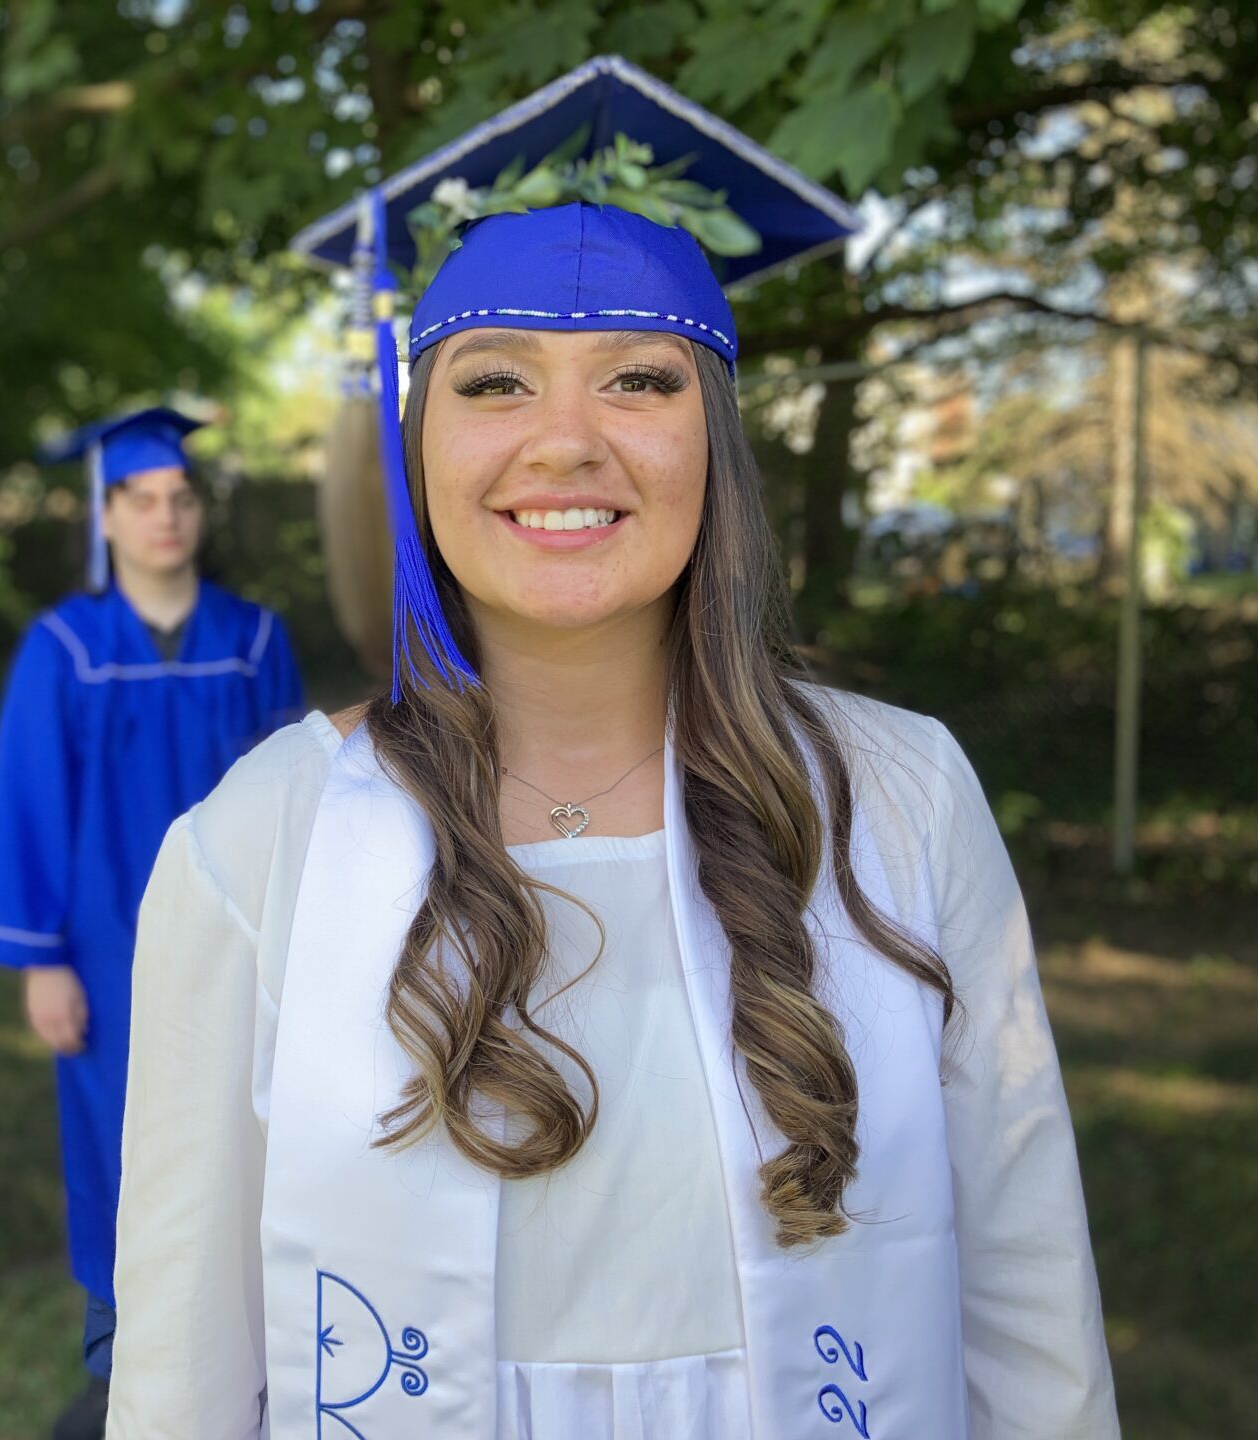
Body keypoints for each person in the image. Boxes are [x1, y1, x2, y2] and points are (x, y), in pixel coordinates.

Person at [110, 59, 1118, 1440]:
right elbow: (178, 1368)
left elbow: (1030, 1307)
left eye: (639, 379)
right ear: (416, 451)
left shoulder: (901, 799)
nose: (565, 443)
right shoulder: (266, 840)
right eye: (497, 384)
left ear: (718, 443)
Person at [0, 406, 304, 1439]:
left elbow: (296, 796)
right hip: (109, 954)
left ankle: (264, 1361)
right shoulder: (64, 648)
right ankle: (128, 1367)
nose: (166, 518)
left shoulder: (252, 641)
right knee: (123, 1152)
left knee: (254, 1137)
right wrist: (42, 962)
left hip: (240, 943)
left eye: (181, 499)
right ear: (104, 517)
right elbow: (28, 804)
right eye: (142, 500)